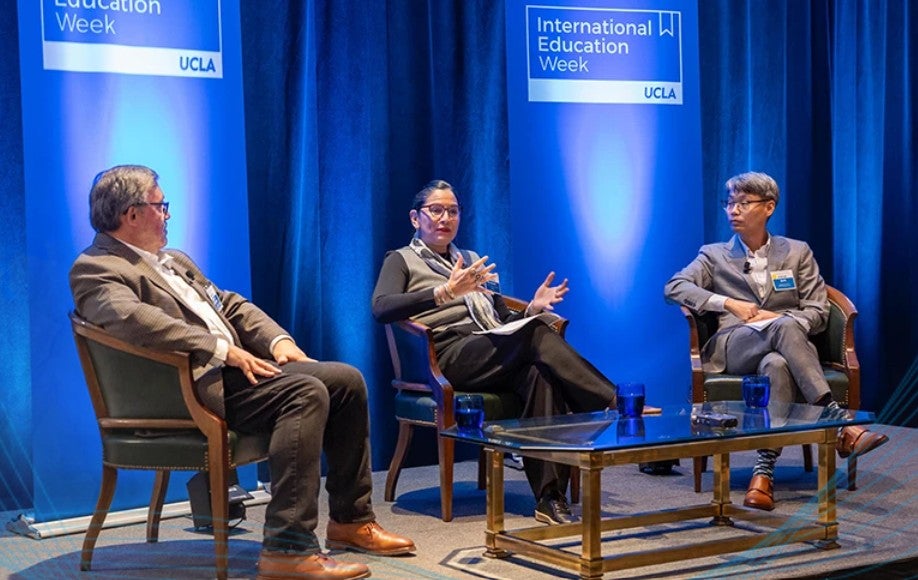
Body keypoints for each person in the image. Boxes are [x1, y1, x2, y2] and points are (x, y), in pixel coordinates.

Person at [70, 165, 415, 580]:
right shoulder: (96, 267)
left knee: (345, 381)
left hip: (229, 376)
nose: (168, 214)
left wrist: (277, 342)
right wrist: (222, 349)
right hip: (187, 392)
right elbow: (133, 319)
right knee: (305, 393)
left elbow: (229, 304)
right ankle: (287, 548)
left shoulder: (174, 261)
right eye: (161, 206)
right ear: (132, 214)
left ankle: (350, 520)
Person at [371, 179, 622, 526]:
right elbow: (382, 307)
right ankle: (611, 402)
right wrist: (444, 292)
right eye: (436, 210)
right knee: (535, 334)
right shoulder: (400, 259)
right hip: (447, 353)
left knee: (540, 374)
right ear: (416, 218)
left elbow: (502, 319)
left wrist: (532, 309)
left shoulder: (473, 261)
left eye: (453, 211)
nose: (445, 218)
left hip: (489, 346)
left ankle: (549, 498)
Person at [664, 171, 888, 511]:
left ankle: (763, 473)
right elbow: (674, 287)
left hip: (786, 347)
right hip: (735, 345)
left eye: (743, 203)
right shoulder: (713, 255)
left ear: (768, 207)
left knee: (777, 363)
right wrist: (728, 303)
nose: (733, 210)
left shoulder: (797, 252)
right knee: (783, 328)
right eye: (729, 203)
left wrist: (780, 322)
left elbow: (818, 311)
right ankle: (839, 421)